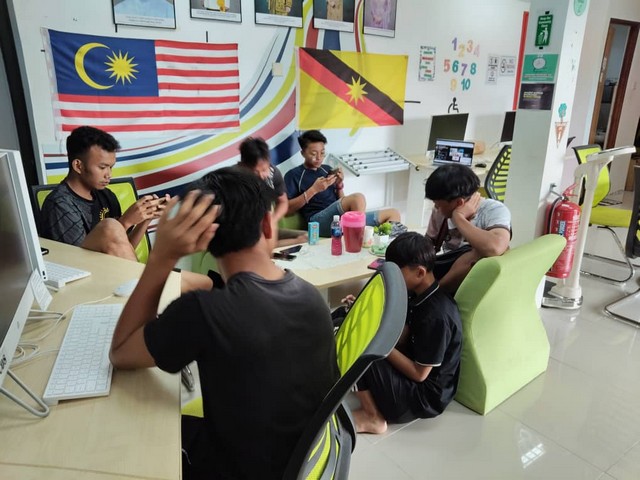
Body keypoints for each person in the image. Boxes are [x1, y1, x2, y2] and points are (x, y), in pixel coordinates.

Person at [109, 168, 339, 479]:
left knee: (137, 431)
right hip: (308, 459)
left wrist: (162, 256)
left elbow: (121, 352)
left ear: (204, 239)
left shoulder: (203, 313)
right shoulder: (311, 296)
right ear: (267, 223)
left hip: (239, 470)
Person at [40, 125, 212, 292]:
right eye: (102, 167)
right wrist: (125, 221)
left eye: (111, 167)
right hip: (85, 282)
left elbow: (121, 250)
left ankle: (149, 287)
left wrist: (145, 219)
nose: (109, 174)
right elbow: (77, 263)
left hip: (120, 274)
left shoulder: (106, 195)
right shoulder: (60, 203)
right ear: (78, 166)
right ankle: (149, 290)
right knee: (110, 226)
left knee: (205, 283)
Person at [351, 232, 462, 434]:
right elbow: (404, 336)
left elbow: (420, 374)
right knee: (356, 325)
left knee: (361, 343)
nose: (391, 279)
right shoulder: (418, 294)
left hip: (423, 398)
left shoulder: (435, 316)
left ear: (419, 272)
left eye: (397, 273)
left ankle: (372, 416)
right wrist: (365, 312)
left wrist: (379, 340)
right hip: (413, 371)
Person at [284, 129, 401, 237]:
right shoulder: (294, 175)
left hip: (339, 219)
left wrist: (339, 185)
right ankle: (359, 238)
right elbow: (287, 210)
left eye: (322, 153)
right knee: (358, 198)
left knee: (393, 214)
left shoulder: (327, 169)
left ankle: (377, 243)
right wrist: (313, 190)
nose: (319, 157)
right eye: (314, 154)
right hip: (317, 222)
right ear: (303, 153)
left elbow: (341, 203)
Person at [424, 164, 511, 293]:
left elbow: (495, 248)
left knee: (475, 255)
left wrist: (458, 218)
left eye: (438, 205)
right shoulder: (441, 211)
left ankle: (434, 293)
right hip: (447, 267)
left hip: (478, 282)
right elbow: (428, 245)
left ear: (459, 203)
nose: (436, 208)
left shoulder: (493, 210)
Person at [236, 136, 307, 246]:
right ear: (243, 166)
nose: (261, 175)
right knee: (257, 245)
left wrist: (273, 220)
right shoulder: (233, 180)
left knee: (308, 237)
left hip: (265, 230)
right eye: (255, 172)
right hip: (243, 234)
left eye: (264, 169)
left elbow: (283, 202)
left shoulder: (273, 174)